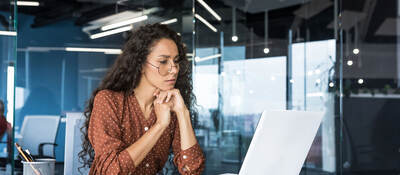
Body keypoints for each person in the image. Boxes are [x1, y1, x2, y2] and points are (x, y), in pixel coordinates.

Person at [79, 24, 205, 175]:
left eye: (176, 61)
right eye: (163, 61)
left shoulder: (170, 107)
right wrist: (159, 125)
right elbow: (111, 170)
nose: (174, 69)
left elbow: (192, 169)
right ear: (140, 64)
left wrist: (182, 112)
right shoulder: (109, 101)